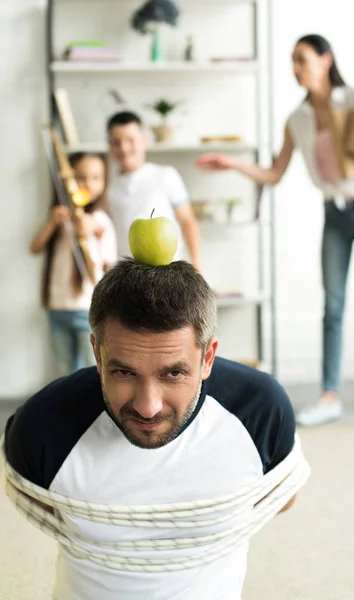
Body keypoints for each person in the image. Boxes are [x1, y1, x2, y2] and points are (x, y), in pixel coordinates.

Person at [3, 258, 309, 600]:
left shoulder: (260, 413)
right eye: (124, 372)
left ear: (208, 358)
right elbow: (33, 499)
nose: (148, 406)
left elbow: (283, 498)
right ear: (98, 355)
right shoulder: (42, 426)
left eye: (173, 373)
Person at [197, 33, 354, 425]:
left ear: (326, 60)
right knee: (333, 307)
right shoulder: (297, 119)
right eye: (292, 60)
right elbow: (274, 173)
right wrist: (234, 164)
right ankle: (329, 396)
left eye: (302, 59)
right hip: (335, 214)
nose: (295, 67)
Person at [30, 152, 117, 376]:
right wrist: (52, 222)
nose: (88, 184)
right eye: (81, 177)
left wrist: (89, 228)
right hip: (57, 307)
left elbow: (103, 243)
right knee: (65, 369)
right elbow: (35, 247)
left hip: (85, 309)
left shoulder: (99, 219)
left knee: (91, 369)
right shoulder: (60, 218)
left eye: (96, 177)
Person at [107, 111, 202, 271]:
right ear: (109, 145)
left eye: (131, 140)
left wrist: (197, 267)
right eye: (117, 142)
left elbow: (187, 220)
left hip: (167, 273)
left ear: (144, 140)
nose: (124, 148)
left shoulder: (165, 175)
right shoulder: (108, 186)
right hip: (126, 277)